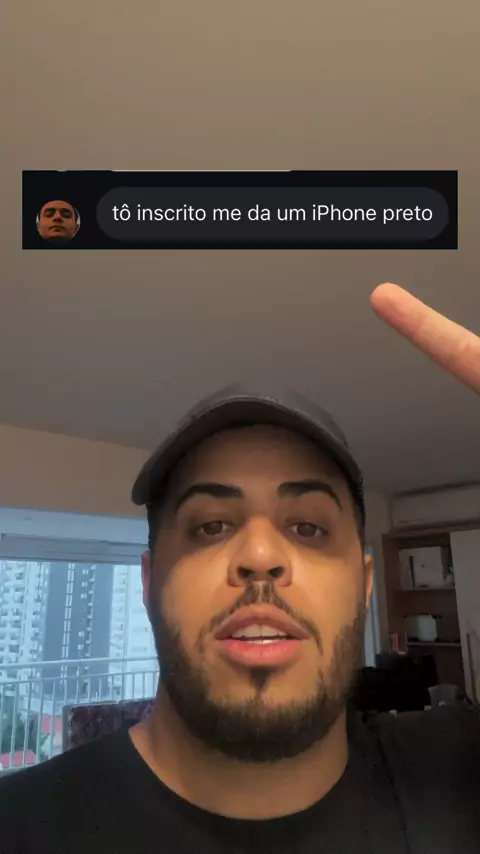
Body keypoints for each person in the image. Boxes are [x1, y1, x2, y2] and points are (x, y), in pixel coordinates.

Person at [0, 284, 479, 853]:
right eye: (210, 526)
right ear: (149, 584)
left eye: (308, 527)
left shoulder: (461, 773)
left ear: (365, 586)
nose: (259, 556)